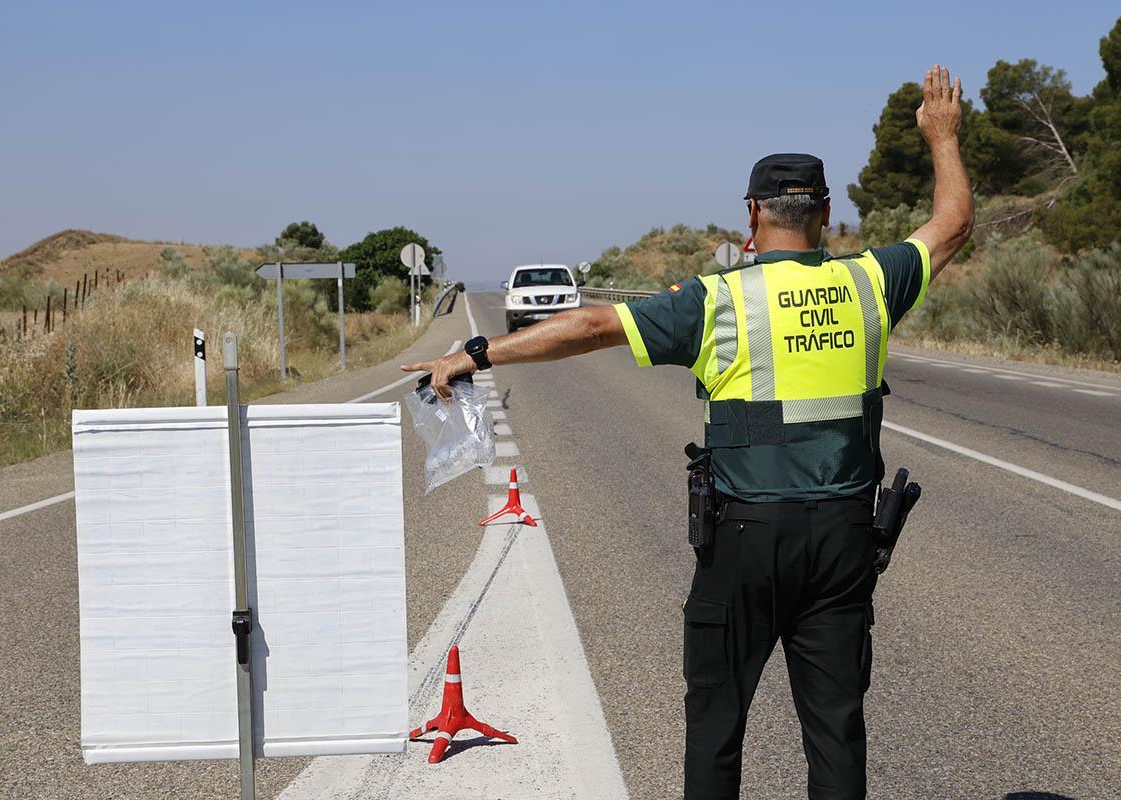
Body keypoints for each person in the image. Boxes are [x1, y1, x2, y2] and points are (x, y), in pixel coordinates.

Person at [402, 64, 974, 799]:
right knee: (834, 731)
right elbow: (953, 222)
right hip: (841, 541)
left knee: (715, 725)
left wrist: (475, 351)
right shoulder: (872, 281)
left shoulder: (720, 301)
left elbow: (589, 325)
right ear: (825, 214)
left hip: (744, 542)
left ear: (752, 216)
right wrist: (942, 136)